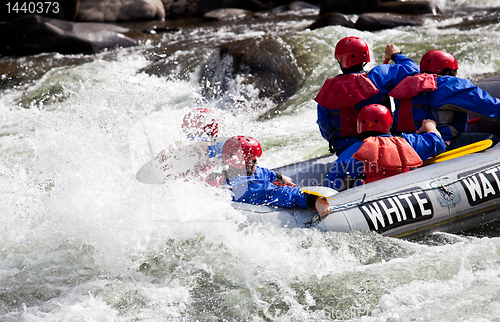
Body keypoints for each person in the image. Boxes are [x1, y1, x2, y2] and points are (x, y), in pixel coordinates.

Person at [315, 36, 420, 155]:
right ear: (365, 59)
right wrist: (396, 55)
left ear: (340, 60)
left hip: (345, 151)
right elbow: (412, 69)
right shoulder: (377, 76)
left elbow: (325, 130)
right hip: (382, 146)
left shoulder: (327, 91)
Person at [389, 49, 500, 150]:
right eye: (454, 71)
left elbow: (406, 64)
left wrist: (397, 55)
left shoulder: (405, 84)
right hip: (439, 144)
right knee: (493, 139)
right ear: (447, 72)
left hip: (409, 144)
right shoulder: (451, 85)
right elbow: (492, 109)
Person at [326, 104, 446, 190]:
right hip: (407, 190)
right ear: (389, 123)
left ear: (360, 127)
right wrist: (430, 126)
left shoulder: (349, 153)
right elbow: (439, 143)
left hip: (368, 198)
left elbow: (332, 185)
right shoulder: (408, 142)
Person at [221, 136, 332, 217]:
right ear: (249, 164)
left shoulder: (227, 170)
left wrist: (278, 176)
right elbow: (278, 193)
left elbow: (258, 172)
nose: (257, 164)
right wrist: (313, 200)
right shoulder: (246, 187)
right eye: (255, 160)